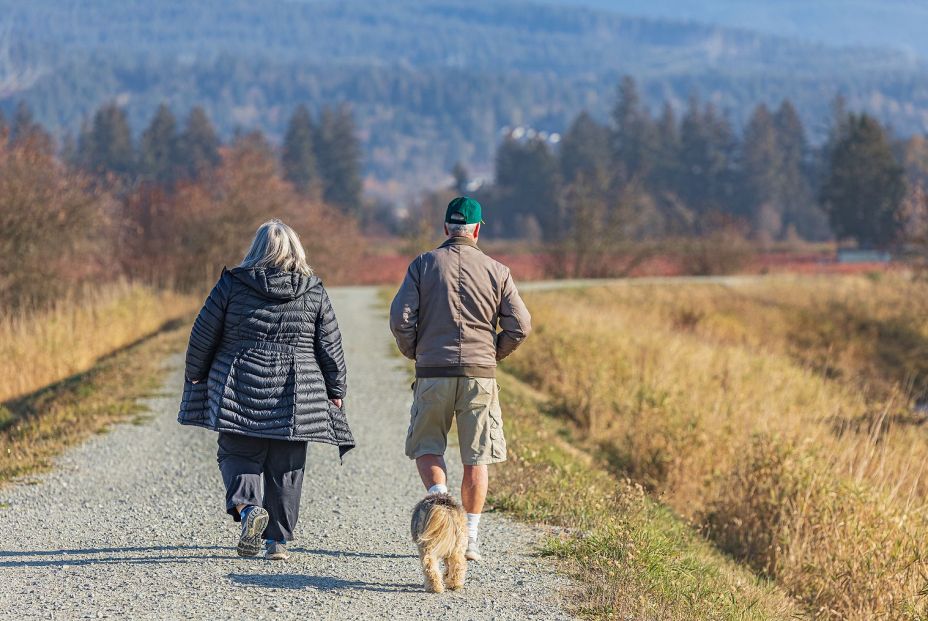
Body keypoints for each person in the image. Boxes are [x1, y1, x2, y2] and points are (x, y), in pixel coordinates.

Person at [177, 219, 353, 561]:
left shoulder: (231, 285)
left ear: (255, 250)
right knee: (287, 465)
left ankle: (248, 511)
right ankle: (277, 542)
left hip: (239, 384)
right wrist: (336, 388)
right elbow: (329, 345)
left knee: (238, 453)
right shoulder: (313, 289)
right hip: (297, 388)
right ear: (296, 251)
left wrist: (195, 373)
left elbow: (203, 334)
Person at [389, 196, 531, 561]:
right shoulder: (498, 271)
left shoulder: (422, 265)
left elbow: (401, 319)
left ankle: (440, 503)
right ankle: (470, 537)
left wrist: (415, 352)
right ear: (478, 229)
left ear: (445, 228)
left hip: (433, 373)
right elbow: (521, 325)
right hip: (479, 376)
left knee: (427, 446)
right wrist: (493, 354)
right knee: (476, 457)